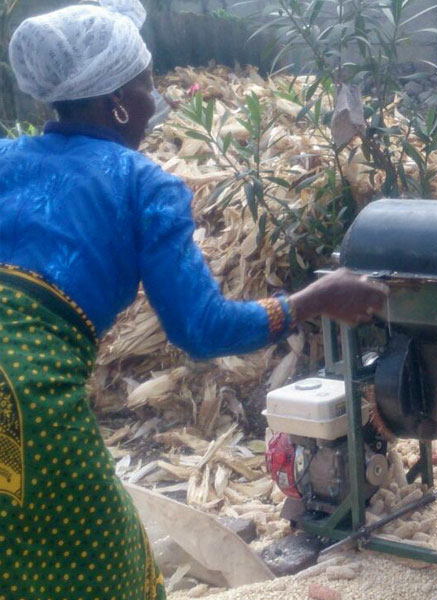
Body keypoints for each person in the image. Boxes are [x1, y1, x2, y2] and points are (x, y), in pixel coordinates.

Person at [0, 2, 387, 599]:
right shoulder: (141, 184)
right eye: (148, 83)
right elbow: (200, 328)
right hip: (24, 406)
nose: (159, 99)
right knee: (107, 574)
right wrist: (311, 300)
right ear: (118, 102)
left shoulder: (7, 160)